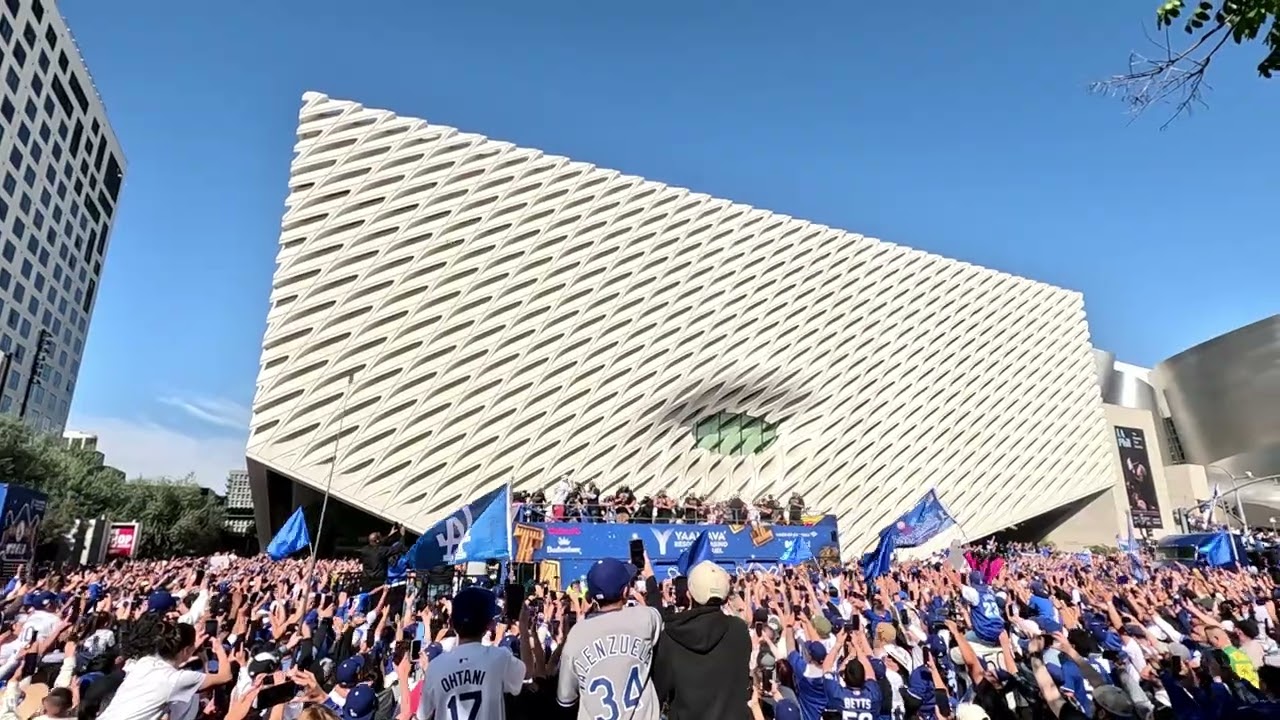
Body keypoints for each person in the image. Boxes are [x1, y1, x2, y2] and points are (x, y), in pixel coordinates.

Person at [557, 558, 663, 720]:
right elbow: (660, 614)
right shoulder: (644, 617)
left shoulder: (578, 634)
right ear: (625, 591)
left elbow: (566, 699)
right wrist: (649, 576)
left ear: (591, 597)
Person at [652, 560, 751, 719]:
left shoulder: (670, 638)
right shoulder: (739, 631)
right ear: (725, 598)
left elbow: (658, 693)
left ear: (689, 595)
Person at [417, 586, 526, 720]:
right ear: (490, 624)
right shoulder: (499, 658)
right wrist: (525, 630)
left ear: (452, 623)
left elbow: (423, 715)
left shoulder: (435, 667)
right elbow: (528, 674)